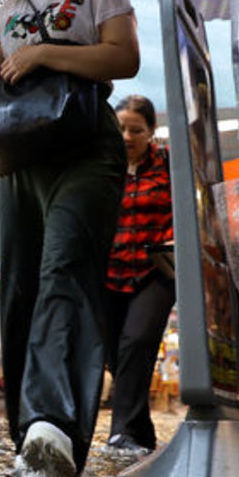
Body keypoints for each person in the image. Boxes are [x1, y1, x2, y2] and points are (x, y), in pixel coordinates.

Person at [0, 0, 139, 477]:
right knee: (20, 293)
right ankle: (29, 443)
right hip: (21, 161)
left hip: (86, 151)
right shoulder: (12, 6)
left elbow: (123, 58)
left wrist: (45, 52)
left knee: (64, 273)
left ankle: (52, 424)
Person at [103, 96, 175, 453]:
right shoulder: (101, 165)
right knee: (115, 354)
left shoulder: (169, 165)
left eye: (136, 130)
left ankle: (122, 434)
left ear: (151, 132)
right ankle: (141, 433)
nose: (127, 136)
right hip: (110, 272)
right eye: (121, 128)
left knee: (137, 341)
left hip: (155, 272)